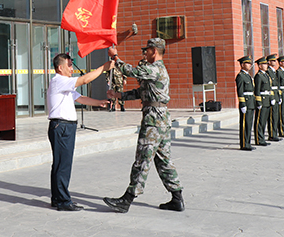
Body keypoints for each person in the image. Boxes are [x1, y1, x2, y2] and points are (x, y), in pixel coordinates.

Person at [104, 38, 185, 213]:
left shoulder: (154, 68)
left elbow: (131, 72)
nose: (144, 53)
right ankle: (177, 198)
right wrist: (118, 95)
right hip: (160, 119)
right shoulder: (156, 70)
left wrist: (115, 58)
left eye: (146, 50)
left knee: (143, 159)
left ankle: (127, 199)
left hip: (154, 122)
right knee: (163, 160)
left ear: (154, 51)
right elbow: (141, 92)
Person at [47, 53, 111, 211]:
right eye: (69, 65)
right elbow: (84, 80)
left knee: (60, 164)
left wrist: (98, 103)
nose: (72, 68)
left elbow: (80, 98)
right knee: (63, 165)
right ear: (60, 68)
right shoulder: (59, 80)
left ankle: (58, 198)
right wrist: (103, 68)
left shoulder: (64, 84)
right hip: (62, 127)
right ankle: (63, 201)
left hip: (64, 127)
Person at [235, 55, 255, 151]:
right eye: (247, 63)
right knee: (244, 124)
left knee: (249, 124)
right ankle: (244, 144)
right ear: (242, 64)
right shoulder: (240, 76)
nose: (249, 65)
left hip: (250, 102)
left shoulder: (248, 76)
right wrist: (242, 104)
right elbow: (240, 91)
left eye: (250, 63)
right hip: (246, 102)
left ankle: (248, 143)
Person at [253, 56, 271, 146]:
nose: (266, 65)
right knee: (259, 121)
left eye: (266, 64)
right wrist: (259, 102)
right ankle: (258, 139)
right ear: (260, 66)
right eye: (264, 64)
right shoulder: (258, 76)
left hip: (267, 100)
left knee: (264, 121)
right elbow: (257, 90)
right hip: (262, 100)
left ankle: (262, 138)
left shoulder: (266, 75)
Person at [266, 54, 282, 140]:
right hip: (272, 95)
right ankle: (272, 135)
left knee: (276, 116)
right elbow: (269, 86)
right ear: (269, 62)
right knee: (272, 116)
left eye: (275, 60)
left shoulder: (274, 71)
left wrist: (279, 96)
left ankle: (275, 133)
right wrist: (272, 97)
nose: (275, 62)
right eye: (273, 60)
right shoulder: (268, 71)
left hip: (276, 94)